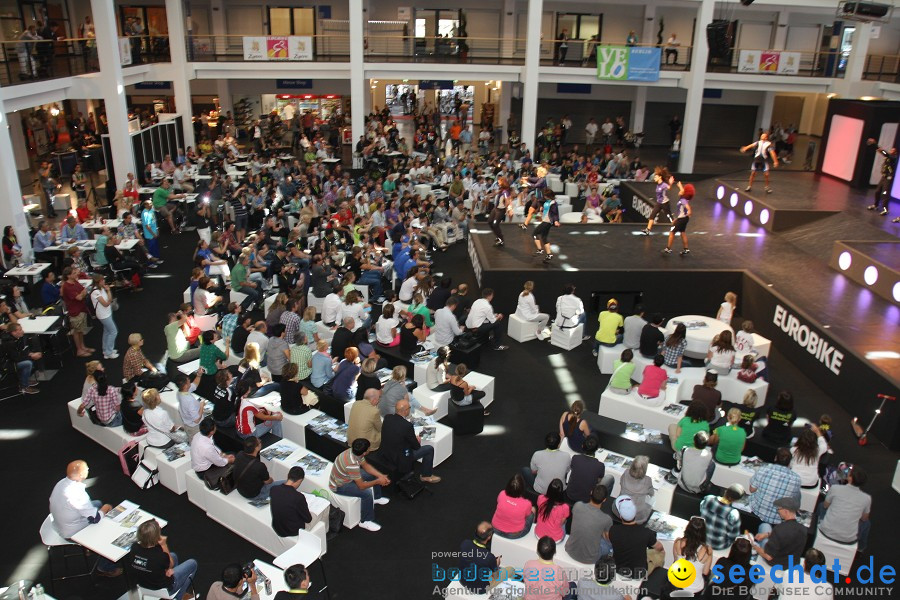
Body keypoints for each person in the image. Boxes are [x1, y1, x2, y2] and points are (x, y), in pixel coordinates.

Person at [49, 460, 121, 576]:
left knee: (97, 503)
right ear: (81, 475)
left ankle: (89, 549)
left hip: (60, 523)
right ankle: (105, 567)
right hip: (72, 532)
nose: (88, 470)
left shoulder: (61, 483)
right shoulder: (78, 495)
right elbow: (96, 519)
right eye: (86, 469)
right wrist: (107, 507)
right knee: (107, 529)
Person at [125, 519, 198, 599]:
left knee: (173, 556)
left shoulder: (134, 547)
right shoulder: (159, 557)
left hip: (143, 585)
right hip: (164, 589)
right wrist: (164, 545)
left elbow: (153, 564)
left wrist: (166, 571)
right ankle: (178, 596)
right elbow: (171, 564)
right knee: (193, 563)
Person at [329, 438, 391, 532]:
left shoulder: (355, 452)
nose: (370, 449)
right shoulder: (351, 463)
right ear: (365, 452)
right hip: (340, 485)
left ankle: (377, 498)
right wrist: (378, 481)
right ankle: (365, 521)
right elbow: (361, 486)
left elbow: (366, 466)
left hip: (348, 476)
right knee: (367, 493)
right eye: (368, 448)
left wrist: (380, 476)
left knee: (372, 475)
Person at [377, 398, 441, 483]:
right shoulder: (407, 426)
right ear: (405, 411)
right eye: (409, 408)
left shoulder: (387, 418)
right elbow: (416, 447)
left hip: (385, 453)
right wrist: (417, 439)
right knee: (429, 449)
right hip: (400, 458)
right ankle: (426, 475)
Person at [609, 496, 665, 580]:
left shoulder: (613, 530)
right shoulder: (645, 532)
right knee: (661, 553)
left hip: (619, 570)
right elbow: (659, 547)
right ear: (635, 513)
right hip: (639, 574)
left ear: (620, 516)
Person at [817, 465, 871, 550]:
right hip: (849, 539)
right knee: (867, 523)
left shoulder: (835, 488)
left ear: (850, 478)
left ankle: (815, 525)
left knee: (821, 505)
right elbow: (864, 518)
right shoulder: (867, 498)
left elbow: (825, 505)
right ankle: (861, 548)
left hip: (826, 531)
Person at [750, 497, 807, 569]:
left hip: (775, 563)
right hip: (792, 563)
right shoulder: (803, 529)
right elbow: (786, 535)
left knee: (764, 525)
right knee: (766, 527)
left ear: (786, 511)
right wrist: (766, 535)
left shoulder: (779, 529)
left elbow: (768, 556)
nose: (778, 511)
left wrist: (754, 546)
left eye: (779, 509)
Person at [662, 517, 713, 598]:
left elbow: (675, 561)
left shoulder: (678, 542)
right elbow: (705, 572)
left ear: (687, 529)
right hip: (694, 591)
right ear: (703, 532)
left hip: (673, 585)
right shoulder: (707, 550)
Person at [748, 448, 802, 525]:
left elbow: (751, 489)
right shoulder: (797, 479)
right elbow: (794, 501)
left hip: (757, 510)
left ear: (775, 458)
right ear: (790, 463)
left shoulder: (762, 470)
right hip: (779, 518)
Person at [566, 483, 613, 565]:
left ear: (591, 492)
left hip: (570, 550)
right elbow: (607, 538)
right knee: (609, 544)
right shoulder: (607, 519)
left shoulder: (578, 506)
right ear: (604, 499)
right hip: (590, 558)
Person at [458, 522, 511, 594]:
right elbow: (496, 576)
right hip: (480, 589)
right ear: (489, 537)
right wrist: (496, 565)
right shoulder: (489, 557)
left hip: (462, 580)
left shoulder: (465, 543)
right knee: (510, 570)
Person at [565, 435, 614, 504]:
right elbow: (599, 480)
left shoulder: (575, 458)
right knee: (609, 478)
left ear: (582, 446)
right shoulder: (600, 465)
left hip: (571, 495)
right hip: (587, 499)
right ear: (596, 449)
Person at [233, 436, 283, 501]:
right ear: (256, 448)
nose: (260, 442)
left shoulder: (239, 454)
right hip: (254, 495)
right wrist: (271, 480)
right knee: (285, 483)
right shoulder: (259, 466)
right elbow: (268, 481)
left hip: (240, 489)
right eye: (259, 442)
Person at [190, 417, 234, 486]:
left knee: (230, 454)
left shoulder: (198, 435)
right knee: (232, 467)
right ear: (212, 432)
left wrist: (223, 455)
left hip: (202, 464)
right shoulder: (206, 448)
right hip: (204, 472)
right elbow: (220, 462)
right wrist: (229, 460)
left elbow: (213, 447)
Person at [270, 466, 313, 537]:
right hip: (292, 530)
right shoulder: (298, 497)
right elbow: (308, 519)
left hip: (277, 526)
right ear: (300, 480)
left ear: (288, 475)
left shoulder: (274, 489)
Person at [700, 484, 744, 551]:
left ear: (725, 491)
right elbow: (733, 537)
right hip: (719, 545)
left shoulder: (708, 499)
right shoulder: (733, 514)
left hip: (701, 539)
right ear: (736, 500)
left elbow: (701, 510)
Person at [491, 473, 536, 539]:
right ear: (523, 489)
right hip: (514, 535)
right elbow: (527, 515)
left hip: (495, 529)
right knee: (533, 510)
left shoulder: (502, 494)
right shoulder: (526, 503)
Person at [61, 267, 93, 357]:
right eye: (74, 273)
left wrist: (82, 293)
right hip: (75, 311)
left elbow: (84, 290)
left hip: (82, 308)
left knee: (81, 330)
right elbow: (79, 297)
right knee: (77, 331)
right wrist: (82, 293)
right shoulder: (67, 286)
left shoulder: (75, 282)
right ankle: (79, 350)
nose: (76, 274)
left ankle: (82, 346)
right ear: (68, 275)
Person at [2, 323, 41, 394]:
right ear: (13, 332)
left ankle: (24, 380)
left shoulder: (14, 339)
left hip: (11, 360)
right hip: (5, 365)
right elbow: (16, 358)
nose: (22, 331)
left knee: (28, 360)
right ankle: (24, 386)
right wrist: (31, 356)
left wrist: (30, 354)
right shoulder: (9, 343)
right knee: (27, 363)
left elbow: (19, 351)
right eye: (20, 330)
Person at [617, 456, 655, 524]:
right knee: (652, 500)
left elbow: (620, 483)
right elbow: (651, 493)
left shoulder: (625, 473)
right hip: (638, 514)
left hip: (620, 509)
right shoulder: (648, 480)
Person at [866, 138, 897, 215]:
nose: (891, 150)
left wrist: (877, 145)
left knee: (885, 193)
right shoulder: (888, 157)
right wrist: (876, 146)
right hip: (883, 177)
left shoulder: (894, 158)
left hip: (888, 178)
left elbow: (885, 153)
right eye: (891, 149)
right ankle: (876, 205)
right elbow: (883, 152)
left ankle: (885, 209)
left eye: (893, 150)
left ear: (895, 152)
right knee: (877, 192)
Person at [662, 183, 693, 256]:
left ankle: (668, 248)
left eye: (682, 190)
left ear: (685, 193)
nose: (679, 192)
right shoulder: (682, 198)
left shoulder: (683, 200)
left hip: (682, 219)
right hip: (683, 219)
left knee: (672, 232)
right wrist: (680, 186)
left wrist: (689, 212)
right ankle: (686, 249)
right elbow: (682, 191)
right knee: (682, 232)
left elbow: (688, 208)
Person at [175, 371, 206, 441]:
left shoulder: (180, 392)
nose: (190, 380)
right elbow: (196, 420)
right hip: (195, 428)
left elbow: (194, 385)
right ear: (185, 385)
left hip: (188, 423)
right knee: (196, 443)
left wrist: (199, 375)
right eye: (188, 380)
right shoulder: (189, 401)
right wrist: (201, 406)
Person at [642, 167, 673, 235]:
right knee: (652, 215)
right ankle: (648, 230)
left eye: (656, 177)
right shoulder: (658, 185)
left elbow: (669, 188)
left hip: (665, 203)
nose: (654, 178)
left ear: (660, 177)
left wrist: (670, 183)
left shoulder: (663, 185)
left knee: (669, 217)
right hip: (659, 203)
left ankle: (676, 226)